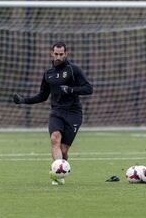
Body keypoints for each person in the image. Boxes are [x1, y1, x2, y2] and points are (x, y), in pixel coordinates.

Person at [13, 42, 93, 185]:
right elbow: (42, 96)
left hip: (74, 113)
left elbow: (88, 89)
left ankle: (61, 167)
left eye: (61, 54)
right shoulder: (48, 74)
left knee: (64, 149)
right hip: (57, 112)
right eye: (56, 54)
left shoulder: (73, 70)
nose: (58, 57)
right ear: (52, 54)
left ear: (66, 54)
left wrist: (71, 90)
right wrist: (23, 100)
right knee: (55, 139)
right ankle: (58, 175)